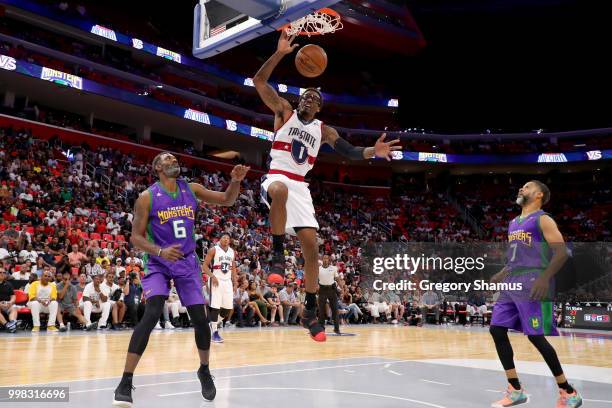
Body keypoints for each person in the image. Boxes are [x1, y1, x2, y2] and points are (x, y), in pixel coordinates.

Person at [253, 31, 400, 342]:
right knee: (278, 191)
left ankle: (309, 311)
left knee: (312, 249)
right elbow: (259, 81)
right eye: (307, 95)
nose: (310, 98)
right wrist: (280, 53)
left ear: (319, 108)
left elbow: (348, 151)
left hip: (301, 187)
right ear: (299, 99)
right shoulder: (284, 112)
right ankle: (277, 256)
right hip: (278, 175)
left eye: (316, 98)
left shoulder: (324, 130)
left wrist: (375, 151)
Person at [112, 152, 249, 406]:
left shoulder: (191, 188)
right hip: (158, 261)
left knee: (200, 317)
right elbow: (136, 237)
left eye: (175, 159)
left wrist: (235, 182)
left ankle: (204, 370)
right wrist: (160, 251)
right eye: (166, 159)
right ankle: (125, 379)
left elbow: (227, 200)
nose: (173, 161)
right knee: (152, 313)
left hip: (186, 261)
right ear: (156, 168)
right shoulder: (147, 198)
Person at [488, 181, 582, 408]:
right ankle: (515, 388)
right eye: (521, 187)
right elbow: (517, 255)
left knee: (535, 336)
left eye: (527, 187)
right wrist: (502, 273)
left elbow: (561, 252)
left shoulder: (543, 219)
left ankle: (568, 392)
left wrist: (544, 278)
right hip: (512, 280)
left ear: (539, 194)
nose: (521, 189)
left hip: (533, 279)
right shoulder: (513, 223)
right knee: (496, 330)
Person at [202, 233, 237, 343]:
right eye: (224, 238)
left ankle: (212, 324)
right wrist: (212, 276)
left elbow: (233, 268)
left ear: (230, 241)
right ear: (220, 239)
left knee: (227, 308)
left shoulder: (232, 252)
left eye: (228, 238)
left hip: (227, 282)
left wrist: (235, 282)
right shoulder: (213, 250)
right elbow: (204, 266)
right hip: (216, 280)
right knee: (215, 307)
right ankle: (214, 333)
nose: (226, 239)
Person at [317, 254, 340, 334]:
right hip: (322, 289)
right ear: (322, 259)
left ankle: (336, 329)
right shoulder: (318, 269)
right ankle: (321, 328)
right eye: (324, 258)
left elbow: (337, 279)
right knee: (321, 310)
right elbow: (314, 279)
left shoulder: (333, 268)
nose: (326, 259)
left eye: (327, 258)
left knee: (335, 310)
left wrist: (342, 289)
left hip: (332, 290)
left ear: (329, 260)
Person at [0, 269, 18, 333]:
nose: (2, 273)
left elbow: (13, 296)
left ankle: (12, 323)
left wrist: (11, 302)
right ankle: (7, 325)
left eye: (4, 272)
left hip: (7, 303)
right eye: (0, 272)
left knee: (14, 308)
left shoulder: (8, 284)